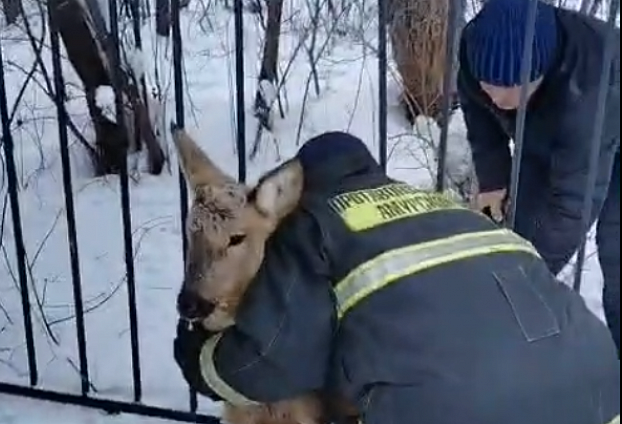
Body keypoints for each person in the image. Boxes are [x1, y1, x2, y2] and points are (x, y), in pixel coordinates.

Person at [173, 131, 620, 424]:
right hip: (600, 389)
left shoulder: (309, 225)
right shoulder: (439, 206)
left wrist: (198, 359)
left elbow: (273, 364)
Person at [456, 0, 620, 355]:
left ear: (542, 71)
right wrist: (493, 179)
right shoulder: (476, 50)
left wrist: (528, 278)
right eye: (489, 85)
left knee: (616, 249)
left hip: (607, 125)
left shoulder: (589, 84)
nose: (497, 98)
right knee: (520, 232)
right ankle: (512, 343)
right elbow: (480, 117)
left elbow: (572, 207)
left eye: (512, 87)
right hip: (545, 132)